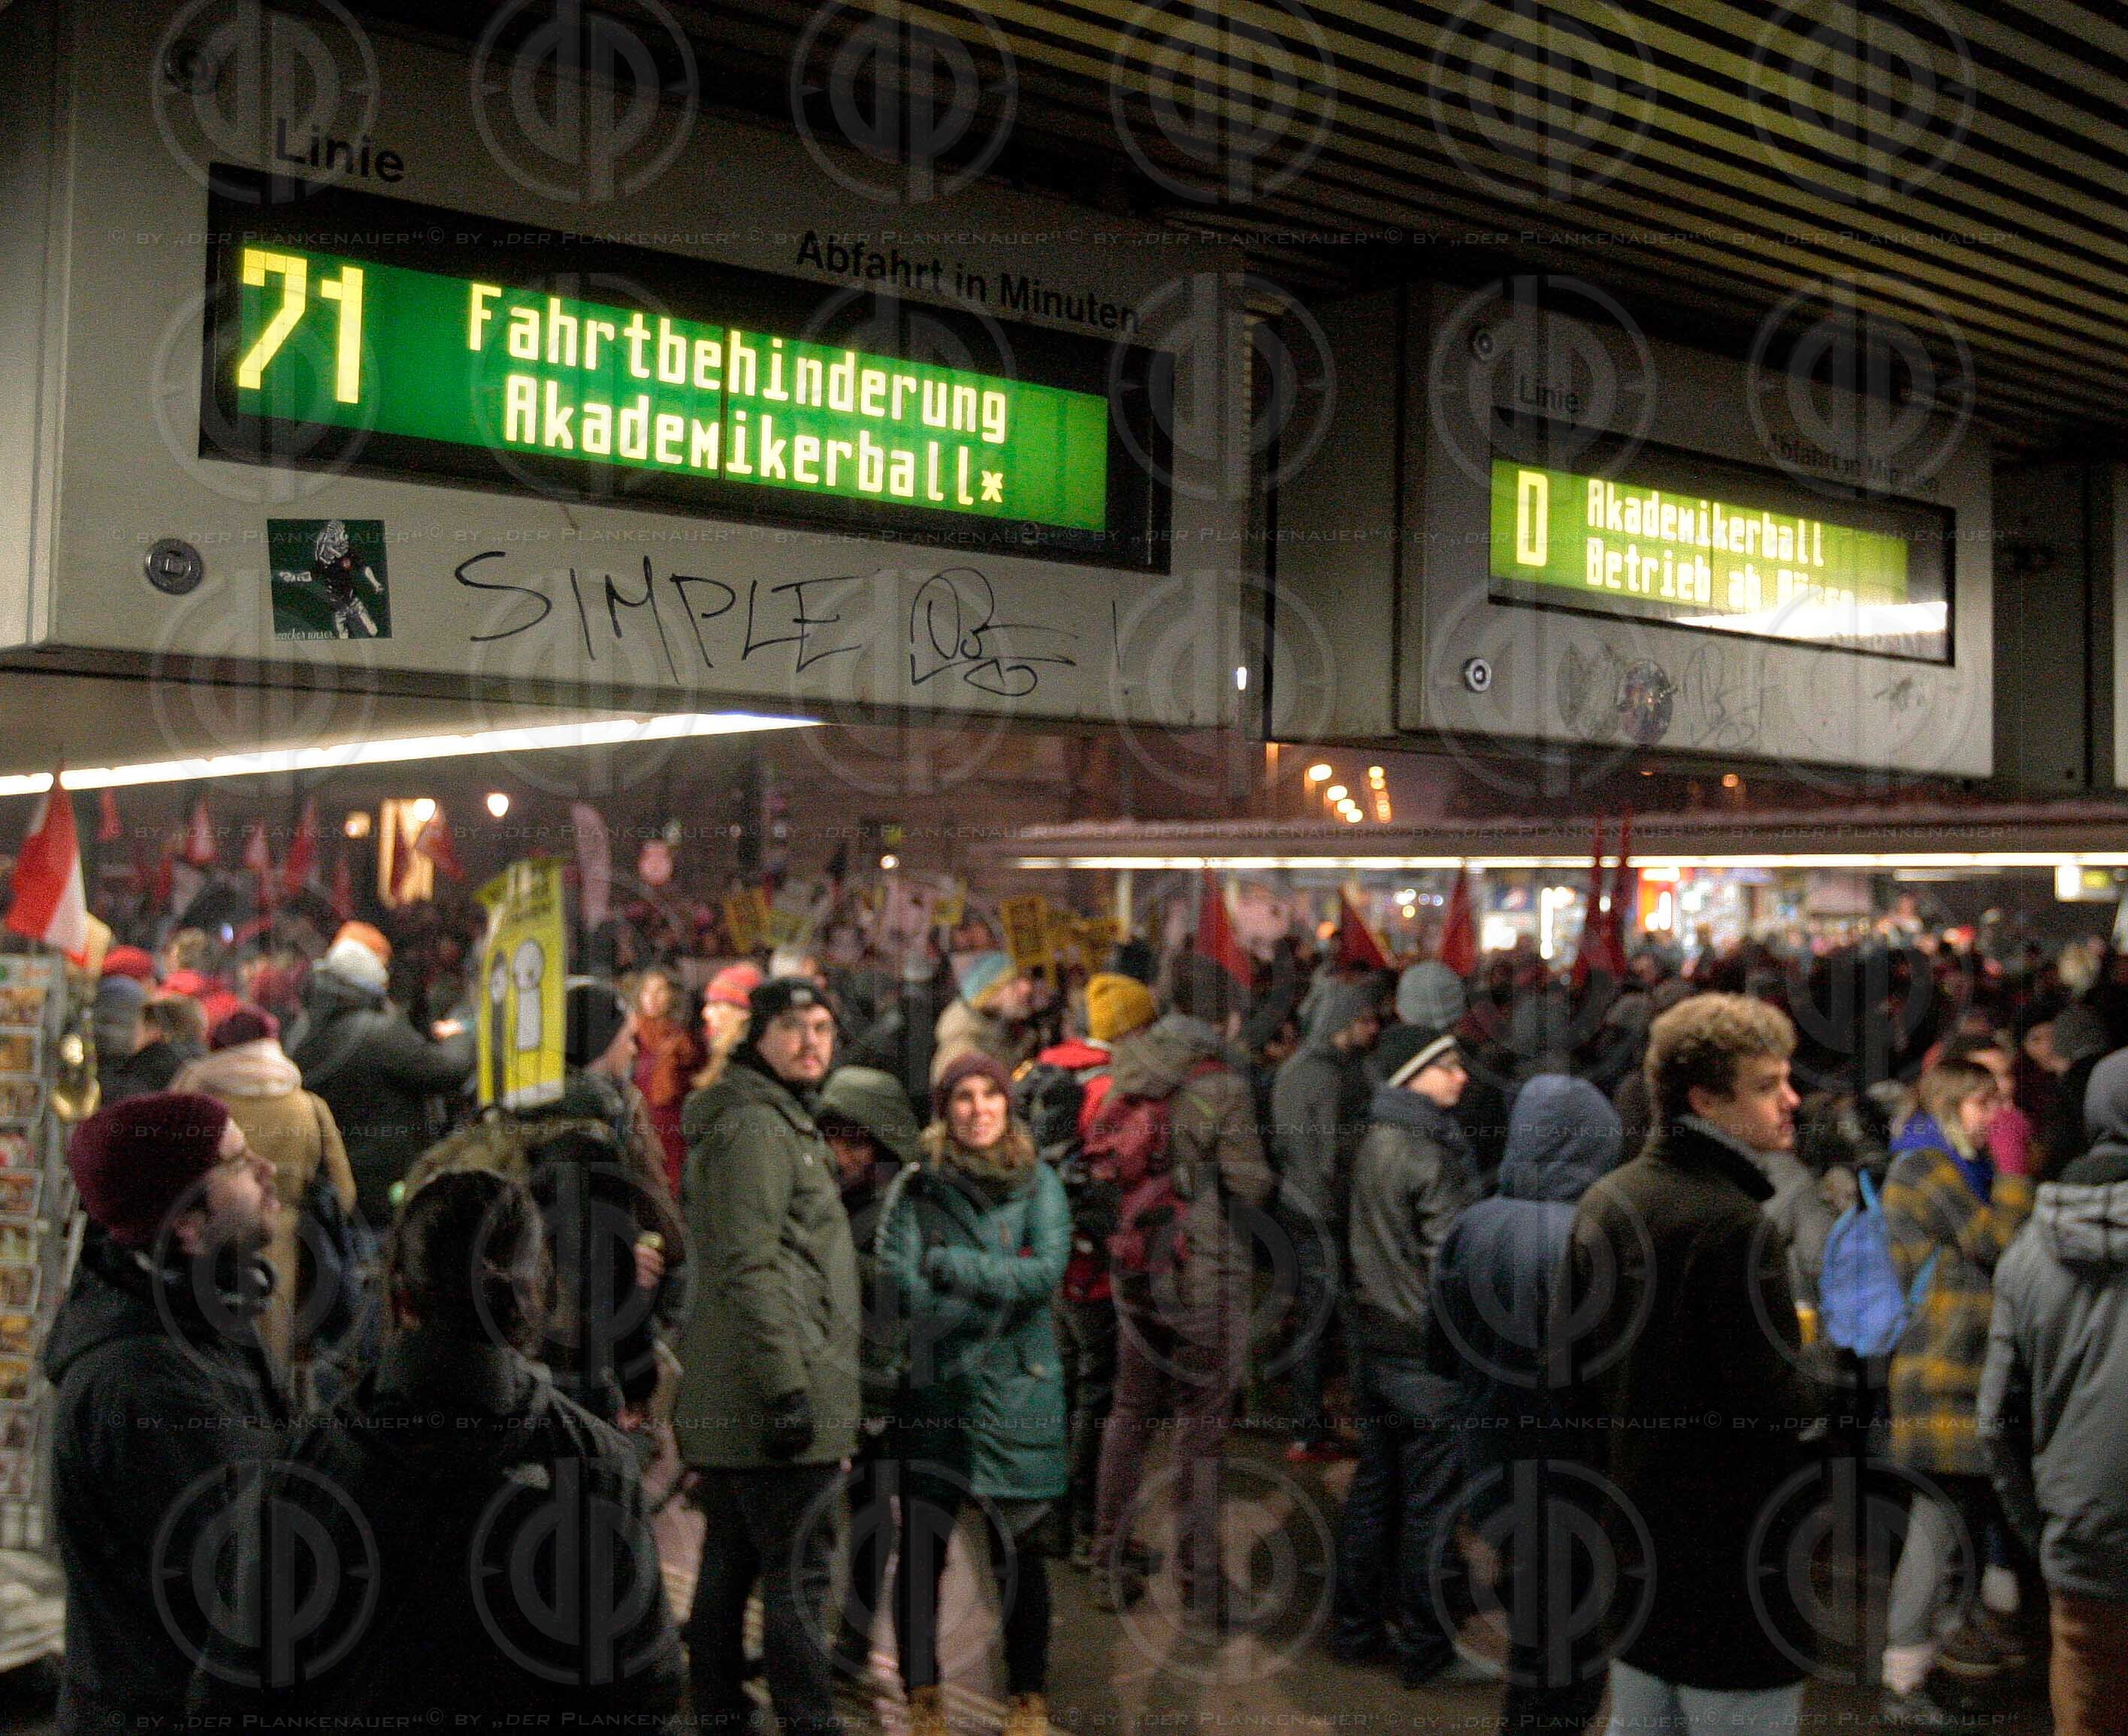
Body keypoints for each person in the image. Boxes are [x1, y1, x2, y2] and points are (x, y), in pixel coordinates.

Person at [188, 1169, 685, 1725]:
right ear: (531, 1298)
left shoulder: (303, 1464)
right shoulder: (593, 1461)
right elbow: (647, 1683)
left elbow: (231, 1692)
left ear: (400, 1297)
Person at [1561, 994, 1821, 1736]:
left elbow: (1569, 1385)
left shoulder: (1609, 1200)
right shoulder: (1736, 1228)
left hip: (1632, 1559)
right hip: (1732, 1580)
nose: (1791, 1100)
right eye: (1768, 1085)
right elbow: (1774, 1418)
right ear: (1705, 1100)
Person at [43, 1093, 287, 1734]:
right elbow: (243, 1588)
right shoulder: (146, 1387)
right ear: (187, 1223)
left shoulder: (203, 1314)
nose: (266, 1168)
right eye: (236, 1163)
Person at [673, 977, 859, 1736]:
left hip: (740, 1384)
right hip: (773, 1389)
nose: (811, 1040)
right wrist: (790, 1388)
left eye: (822, 1025)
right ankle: (807, 1722)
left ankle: (718, 1709)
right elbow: (749, 1264)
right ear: (758, 1038)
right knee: (796, 1578)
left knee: (732, 1561)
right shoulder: (757, 1125)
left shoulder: (770, 1116)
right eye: (792, 1027)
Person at [880, 1051, 1069, 1736]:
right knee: (924, 1553)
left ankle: (1028, 1697)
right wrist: (995, 1288)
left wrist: (954, 1265)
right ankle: (921, 1690)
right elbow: (900, 1283)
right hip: (937, 1394)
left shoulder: (1040, 1182)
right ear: (944, 1108)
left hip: (1019, 1396)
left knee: (1020, 1555)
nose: (980, 1108)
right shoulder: (916, 1186)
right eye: (964, 1096)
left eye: (992, 1094)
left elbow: (1045, 1272)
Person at [1429, 1075, 1624, 1736]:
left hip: (1492, 1457)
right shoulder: (1596, 1238)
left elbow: (1441, 1349)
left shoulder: (1472, 1224)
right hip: (1575, 1465)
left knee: (1535, 1622)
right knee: (1575, 1638)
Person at [1087, 957, 1274, 1620]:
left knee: (1131, 1409)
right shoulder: (1220, 1083)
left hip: (1133, 1261)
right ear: (1222, 1015)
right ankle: (1200, 1586)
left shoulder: (1130, 1068)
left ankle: (1107, 1559)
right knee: (1201, 1427)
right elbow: (1251, 1183)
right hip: (1201, 1271)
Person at [1879, 1058, 2036, 1716]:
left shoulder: (1949, 1167)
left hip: (1960, 1369)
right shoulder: (1925, 1167)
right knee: (1938, 1519)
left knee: (1959, 1516)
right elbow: (1998, 1240)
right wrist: (2015, 1168)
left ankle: (1932, 1652)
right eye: (1980, 1102)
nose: (1993, 1116)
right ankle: (1903, 1674)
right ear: (1948, 1104)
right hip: (1941, 1373)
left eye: (1999, 1102)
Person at [1979, 1048, 2128, 1736]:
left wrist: (2042, 1529)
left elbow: (1997, 1420)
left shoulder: (2031, 1252)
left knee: (2087, 1691)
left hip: (2083, 1531)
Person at [1332, 1022, 1485, 1687]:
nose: (1463, 1076)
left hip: (1374, 1348)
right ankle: (1427, 1650)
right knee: (1431, 1508)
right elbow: (1456, 1269)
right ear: (1411, 1076)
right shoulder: (1432, 1153)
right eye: (1447, 1065)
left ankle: (1355, 1629)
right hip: (1426, 1358)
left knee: (1375, 1493)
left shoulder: (1365, 1142)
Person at [1016, 970, 1156, 1566]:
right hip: (1091, 1268)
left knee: (1065, 1388)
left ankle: (1053, 1522)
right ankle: (1087, 1528)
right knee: (1098, 1400)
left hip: (1044, 1257)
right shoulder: (1113, 1089)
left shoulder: (1046, 1069)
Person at [812, 1063, 926, 1682]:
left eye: (854, 1141)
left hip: (890, 1392)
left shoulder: (899, 1206)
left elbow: (895, 1305)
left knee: (875, 1516)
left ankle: (857, 1643)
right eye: (831, 1137)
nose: (840, 1153)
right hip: (834, 1382)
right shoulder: (825, 1195)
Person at [173, 1003, 356, 1370]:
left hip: (205, 1244)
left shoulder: (195, 1100)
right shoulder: (309, 1106)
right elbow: (345, 1193)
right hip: (287, 1248)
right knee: (275, 1364)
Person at [292, 924, 475, 1224]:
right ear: (373, 987)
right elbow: (448, 1071)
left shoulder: (303, 1034)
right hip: (389, 1178)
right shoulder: (378, 1033)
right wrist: (460, 1034)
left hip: (336, 1181)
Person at [1270, 972, 1382, 1459]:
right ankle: (1351, 1426)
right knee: (1351, 1321)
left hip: (1294, 1207)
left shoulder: (1293, 1068)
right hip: (1328, 1214)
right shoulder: (1335, 1078)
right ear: (1345, 1022)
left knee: (1313, 1321)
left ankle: (1306, 1425)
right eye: (1367, 1020)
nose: (1374, 1028)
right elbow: (1333, 1155)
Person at [630, 966, 702, 1194]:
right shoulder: (630, 1037)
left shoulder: (687, 1043)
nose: (651, 998)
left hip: (675, 1131)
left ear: (673, 996)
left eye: (660, 990)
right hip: (639, 1127)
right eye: (647, 991)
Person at [930, 950, 1041, 1085]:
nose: (1026, 988)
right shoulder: (962, 1052)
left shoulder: (1003, 1035)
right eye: (1013, 982)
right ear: (989, 992)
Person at [104, 991, 207, 1102]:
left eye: (137, 1027)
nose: (133, 1034)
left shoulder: (140, 1075)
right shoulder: (206, 1074)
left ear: (154, 1030)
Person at [694, 960, 763, 1096]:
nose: (706, 1013)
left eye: (716, 1005)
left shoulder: (746, 1063)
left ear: (743, 1012)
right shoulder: (719, 1055)